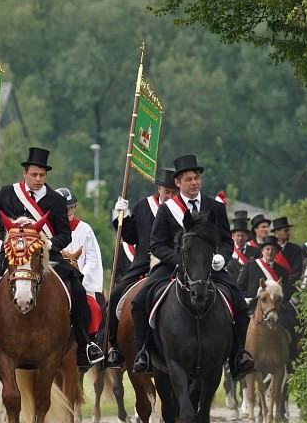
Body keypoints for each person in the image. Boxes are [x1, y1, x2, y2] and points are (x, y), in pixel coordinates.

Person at [0, 147, 105, 370]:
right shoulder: (7, 193)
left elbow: (65, 234)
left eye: (42, 176)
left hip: (46, 256)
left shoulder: (55, 200)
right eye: (34, 175)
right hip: (12, 256)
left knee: (79, 292)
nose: (38, 179)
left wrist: (50, 244)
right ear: (25, 173)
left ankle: (86, 345)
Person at [130, 154, 255, 380]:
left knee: (241, 305)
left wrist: (223, 258)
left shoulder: (214, 207)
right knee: (139, 302)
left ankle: (237, 357)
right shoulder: (167, 209)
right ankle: (144, 353)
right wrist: (180, 260)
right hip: (174, 265)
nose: (194, 182)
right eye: (188, 179)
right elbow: (156, 244)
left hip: (210, 267)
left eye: (197, 178)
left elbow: (226, 240)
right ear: (178, 183)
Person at [105, 167, 177, 367]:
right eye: (166, 191)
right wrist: (123, 216)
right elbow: (130, 236)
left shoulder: (181, 209)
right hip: (143, 264)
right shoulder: (144, 205)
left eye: (173, 192)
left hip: (172, 263)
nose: (169, 195)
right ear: (159, 189)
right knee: (115, 295)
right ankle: (114, 347)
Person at [57, 187, 105, 351]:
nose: (70, 211)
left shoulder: (85, 229)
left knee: (93, 308)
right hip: (59, 280)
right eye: (66, 208)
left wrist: (83, 275)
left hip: (80, 278)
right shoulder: (51, 230)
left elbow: (92, 257)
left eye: (72, 207)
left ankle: (89, 345)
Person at [271, 216, 304, 281]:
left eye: (289, 230)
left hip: (288, 285)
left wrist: (285, 283)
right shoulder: (269, 249)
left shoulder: (296, 249)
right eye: (286, 231)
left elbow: (297, 271)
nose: (289, 233)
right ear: (277, 232)